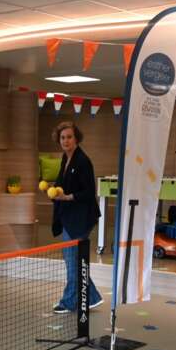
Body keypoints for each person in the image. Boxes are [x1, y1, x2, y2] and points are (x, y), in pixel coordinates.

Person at [50, 121, 102, 314]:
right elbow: (61, 183)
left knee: (72, 261)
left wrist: (67, 197)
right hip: (69, 216)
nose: (66, 141)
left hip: (81, 219)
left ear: (76, 138)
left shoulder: (82, 161)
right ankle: (92, 298)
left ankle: (69, 302)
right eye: (62, 138)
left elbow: (88, 192)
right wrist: (54, 191)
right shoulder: (66, 158)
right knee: (75, 261)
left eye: (69, 137)